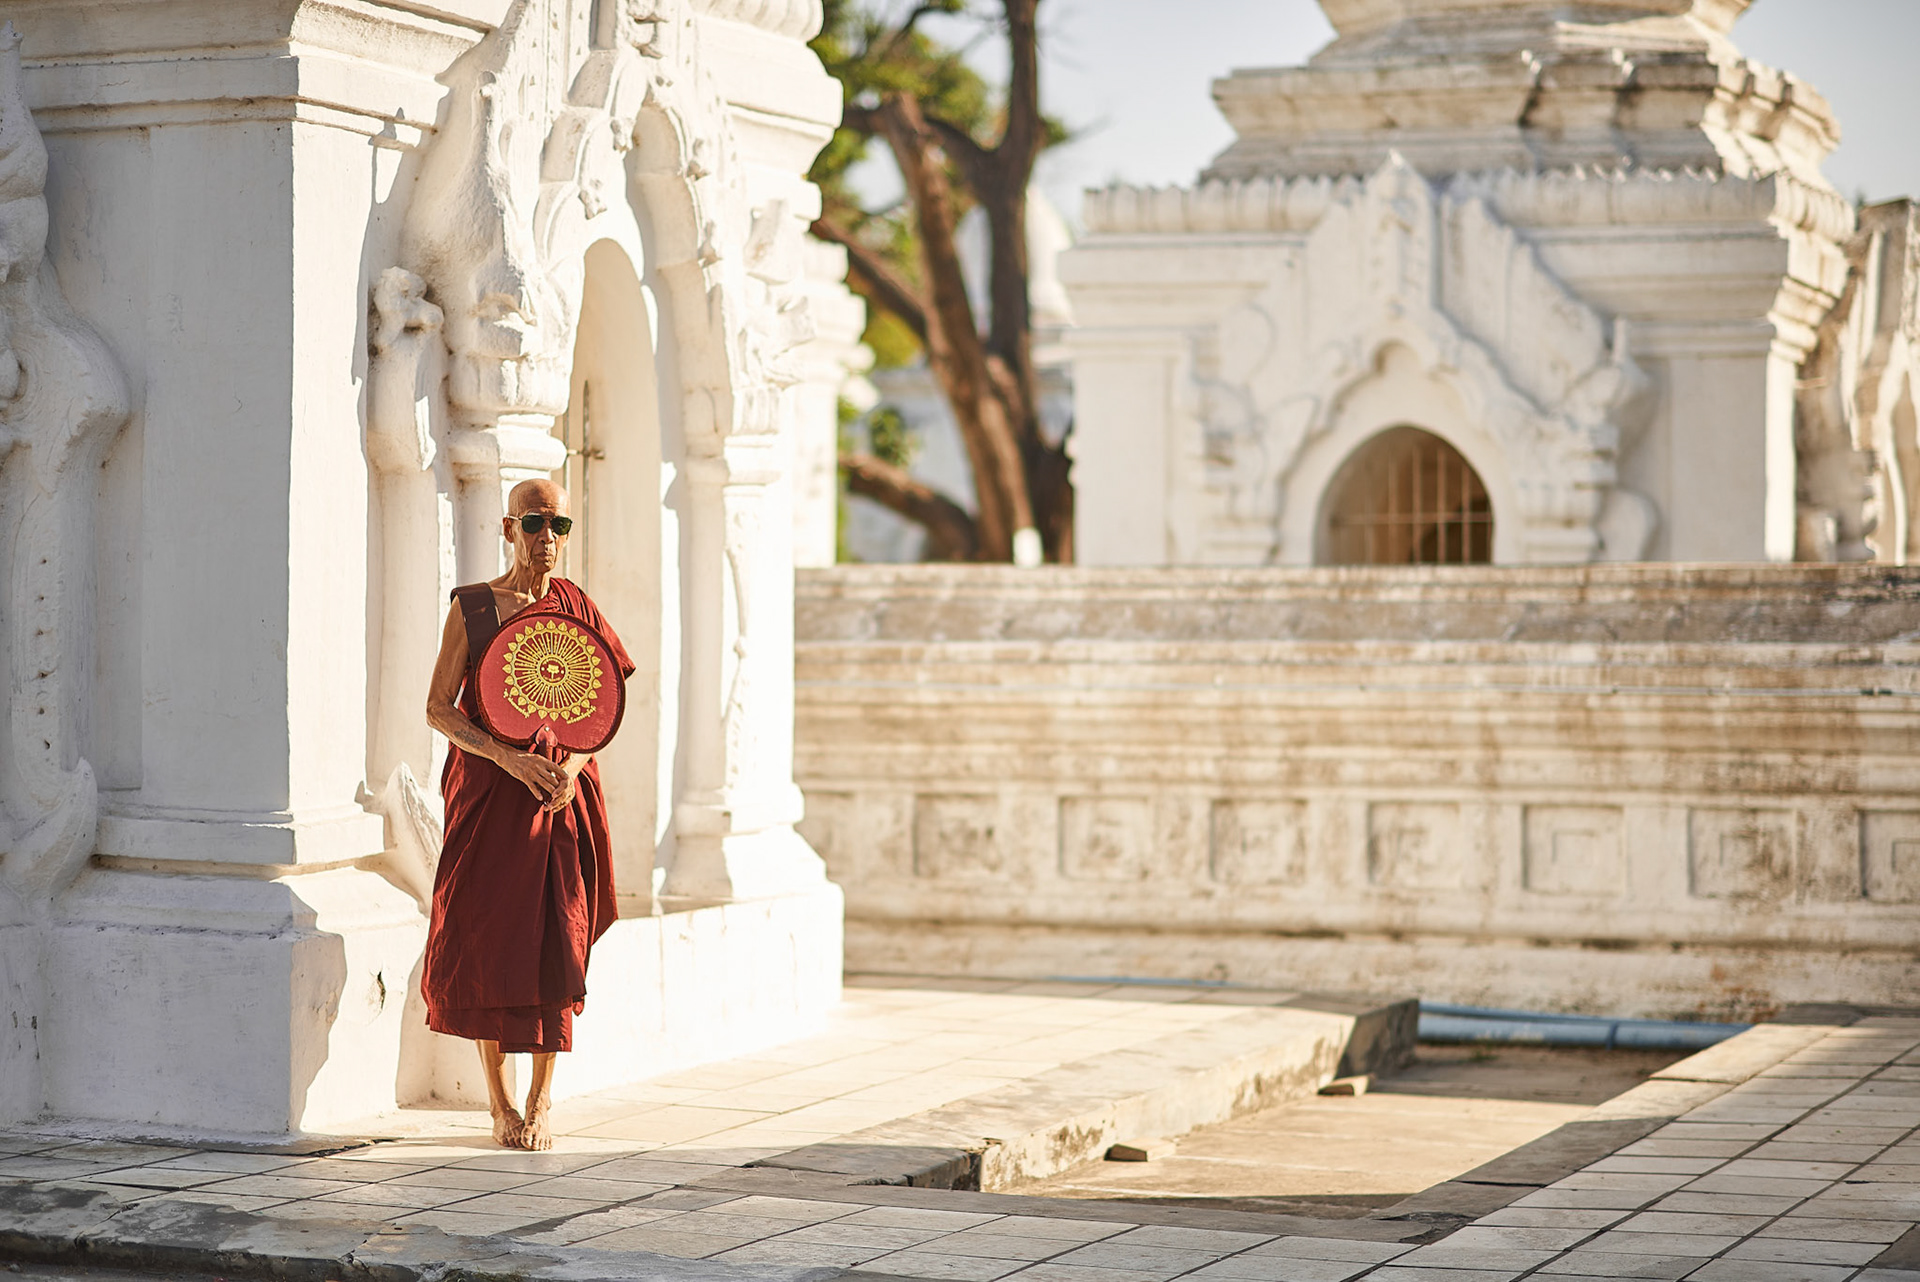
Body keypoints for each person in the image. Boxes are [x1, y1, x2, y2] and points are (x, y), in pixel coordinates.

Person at [422, 478, 634, 1149]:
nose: (549, 539)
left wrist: (567, 773)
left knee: (553, 941)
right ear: (510, 527)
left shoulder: (576, 608)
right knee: (486, 939)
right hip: (490, 796)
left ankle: (543, 1103)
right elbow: (438, 707)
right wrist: (511, 762)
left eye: (560, 525)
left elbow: (600, 710)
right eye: (537, 524)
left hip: (556, 801)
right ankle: (499, 1105)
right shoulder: (474, 608)